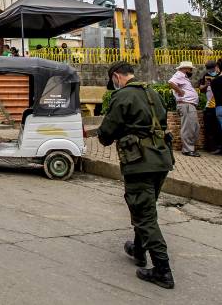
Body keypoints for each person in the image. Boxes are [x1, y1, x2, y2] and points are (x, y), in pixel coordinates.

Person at [98, 62, 175, 289]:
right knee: (146, 207)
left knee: (145, 215)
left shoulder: (122, 96)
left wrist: (105, 136)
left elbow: (106, 132)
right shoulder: (153, 92)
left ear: (116, 76)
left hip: (139, 162)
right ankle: (139, 251)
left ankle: (163, 270)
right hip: (162, 160)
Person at [168, 61, 200, 157]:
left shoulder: (183, 77)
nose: (191, 71)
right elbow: (171, 82)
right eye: (190, 69)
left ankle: (190, 147)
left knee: (194, 127)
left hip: (189, 105)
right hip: (186, 105)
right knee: (188, 127)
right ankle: (187, 149)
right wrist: (180, 91)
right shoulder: (180, 74)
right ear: (185, 69)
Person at [197, 61, 222, 155]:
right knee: (209, 128)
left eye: (212, 69)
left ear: (216, 67)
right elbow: (200, 88)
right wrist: (206, 85)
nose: (211, 71)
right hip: (209, 106)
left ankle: (221, 147)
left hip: (220, 105)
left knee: (219, 128)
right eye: (209, 69)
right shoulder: (205, 76)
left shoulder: (221, 75)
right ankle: (212, 147)